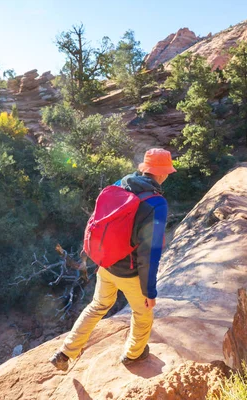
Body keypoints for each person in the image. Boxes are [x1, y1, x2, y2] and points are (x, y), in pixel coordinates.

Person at [49, 148, 176, 371]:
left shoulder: (121, 183)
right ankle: (133, 355)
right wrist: (149, 292)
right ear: (163, 173)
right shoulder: (157, 204)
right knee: (143, 313)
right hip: (130, 273)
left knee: (98, 305)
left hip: (106, 264)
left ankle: (65, 352)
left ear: (144, 168)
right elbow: (150, 253)